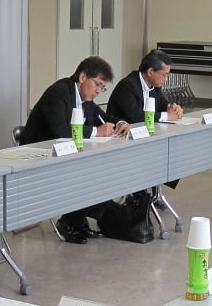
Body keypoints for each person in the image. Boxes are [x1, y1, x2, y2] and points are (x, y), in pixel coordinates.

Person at [21, 56, 130, 243]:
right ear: (82, 77)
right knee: (87, 172)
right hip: (39, 154)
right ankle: (76, 221)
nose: (98, 91)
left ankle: (77, 221)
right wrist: (97, 131)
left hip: (65, 154)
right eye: (97, 85)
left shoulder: (84, 98)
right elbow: (60, 131)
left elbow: (102, 116)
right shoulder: (59, 93)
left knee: (99, 167)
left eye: (102, 88)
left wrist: (120, 122)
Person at [106, 48, 183, 125]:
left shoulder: (155, 86)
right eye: (164, 75)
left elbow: (163, 105)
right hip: (123, 131)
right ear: (150, 72)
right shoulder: (127, 85)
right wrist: (166, 116)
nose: (166, 79)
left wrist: (174, 109)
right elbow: (136, 116)